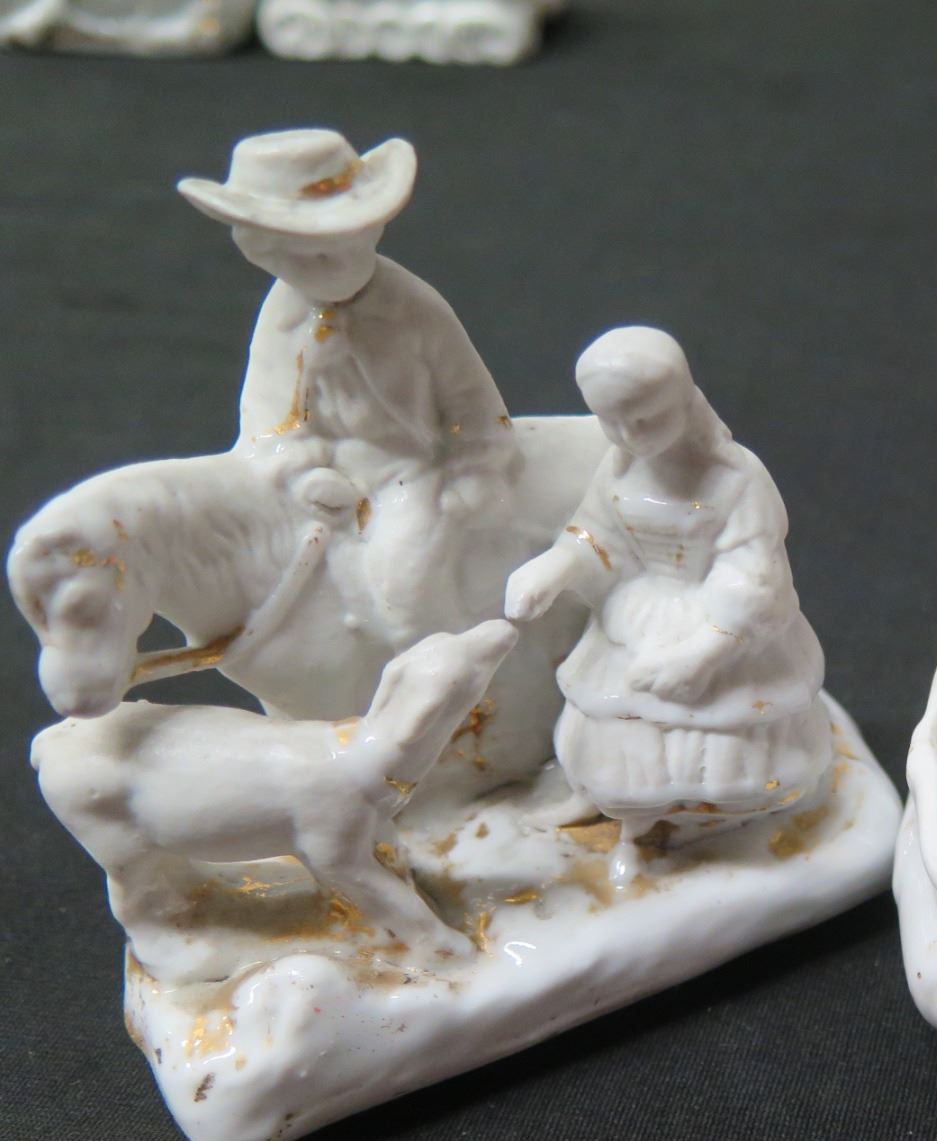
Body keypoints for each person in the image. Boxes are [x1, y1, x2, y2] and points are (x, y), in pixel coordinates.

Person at [506, 327, 831, 879]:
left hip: (716, 625)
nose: (629, 436)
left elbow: (756, 576)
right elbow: (596, 535)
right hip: (638, 613)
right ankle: (614, 811)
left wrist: (704, 653)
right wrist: (555, 567)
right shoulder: (617, 467)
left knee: (710, 738)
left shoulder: (736, 479)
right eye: (612, 421)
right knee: (613, 719)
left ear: (683, 400)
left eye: (645, 419)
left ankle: (692, 829)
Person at [179, 128, 519, 646]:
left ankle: (453, 670)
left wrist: (476, 467)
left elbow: (472, 401)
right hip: (321, 478)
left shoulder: (412, 309)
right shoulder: (283, 314)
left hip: (407, 470)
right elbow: (266, 413)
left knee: (405, 588)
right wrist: (299, 472)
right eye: (297, 255)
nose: (320, 267)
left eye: (333, 247)